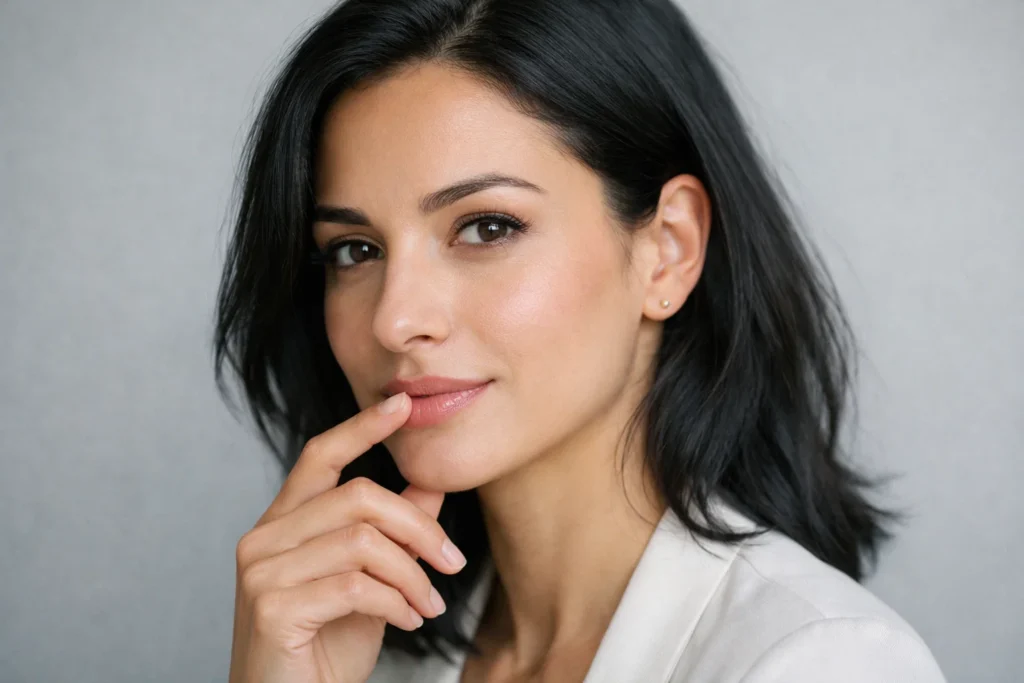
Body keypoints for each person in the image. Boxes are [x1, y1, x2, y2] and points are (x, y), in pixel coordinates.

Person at [213, 0, 947, 681]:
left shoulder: (821, 661)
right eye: (354, 250)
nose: (394, 320)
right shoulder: (361, 651)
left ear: (668, 248)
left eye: (486, 227)